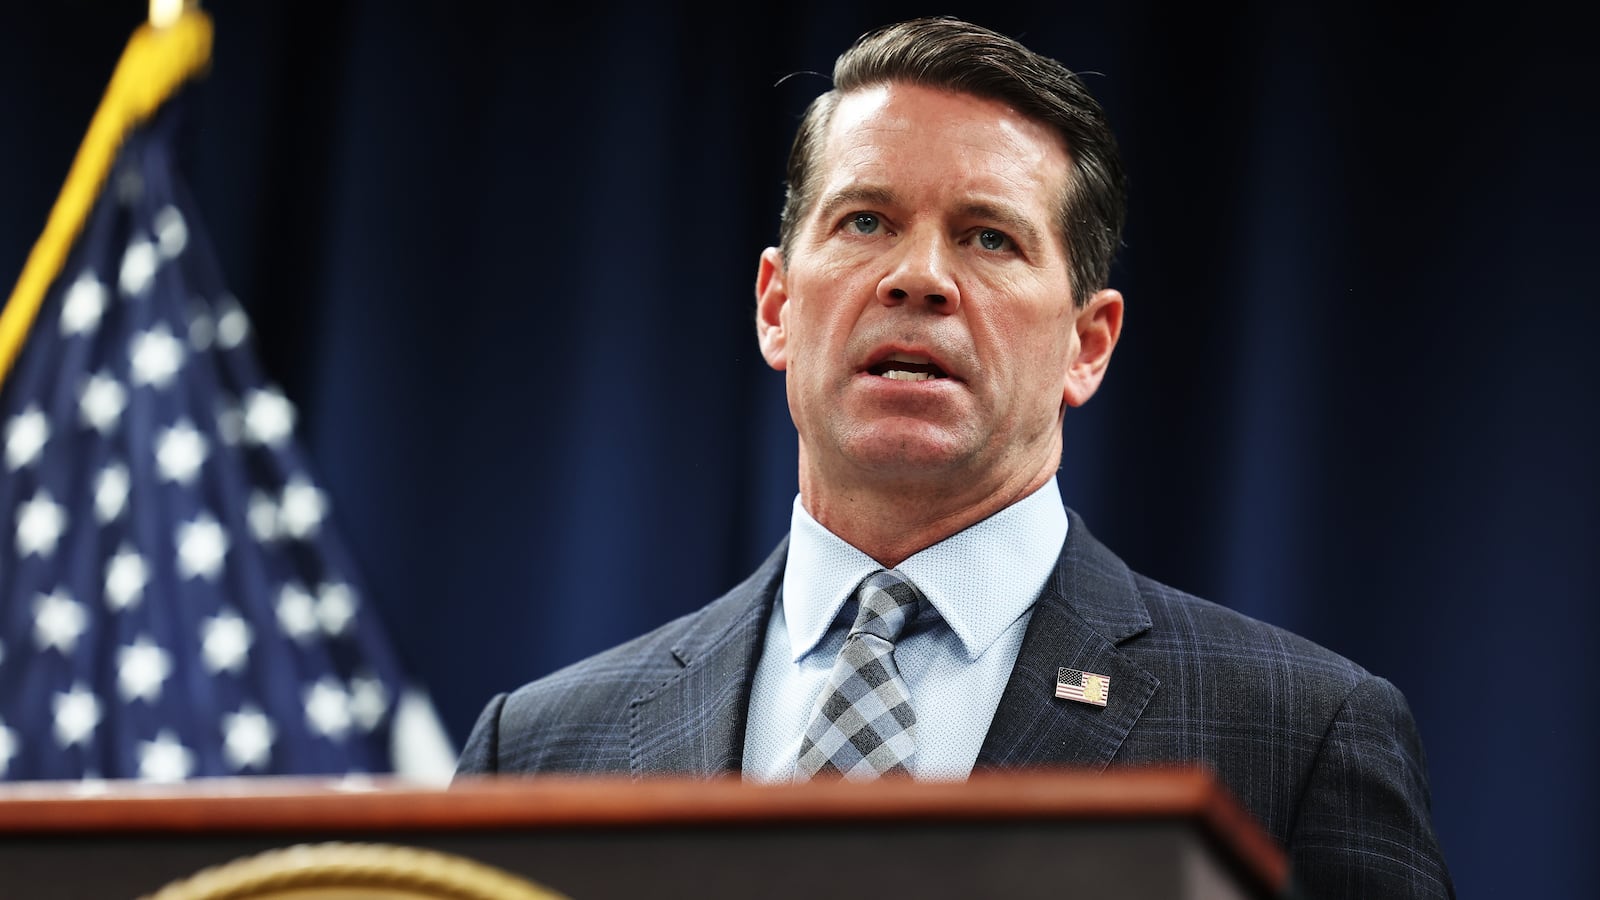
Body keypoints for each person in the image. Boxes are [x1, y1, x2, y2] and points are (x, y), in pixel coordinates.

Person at [456, 15, 1453, 897]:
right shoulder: (538, 749)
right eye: (864, 222)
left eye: (987, 237)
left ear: (1087, 343)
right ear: (775, 307)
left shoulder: (1300, 736)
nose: (919, 277)